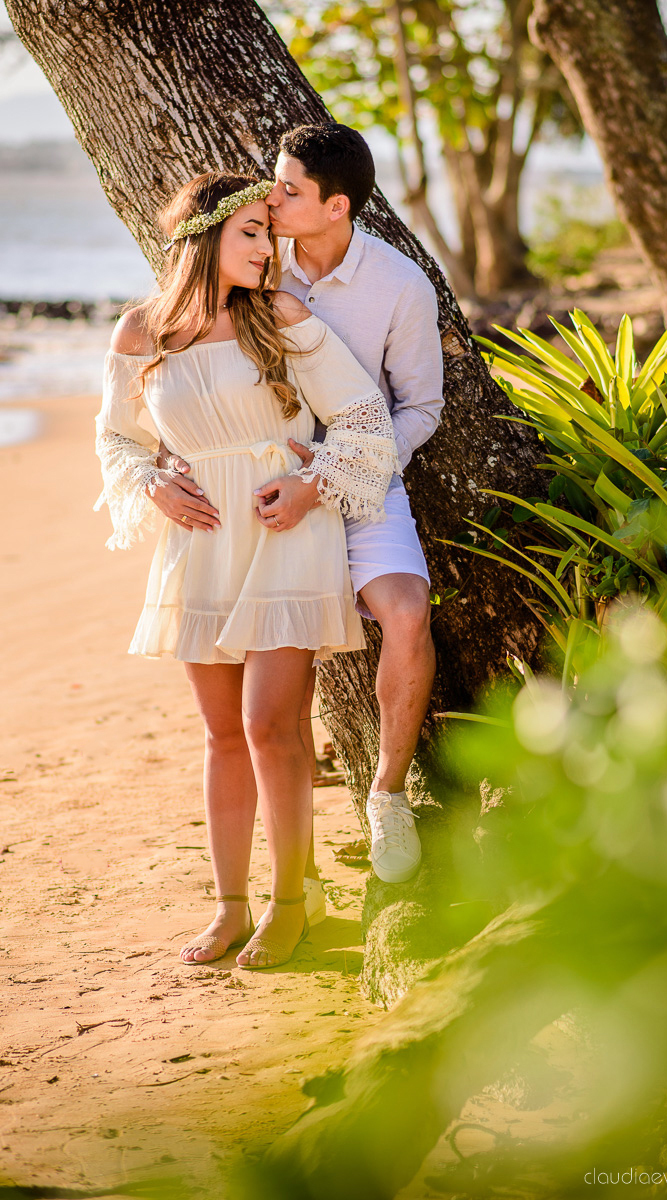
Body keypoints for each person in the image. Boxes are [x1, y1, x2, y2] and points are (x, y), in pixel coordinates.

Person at [95, 171, 398, 968]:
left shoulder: (283, 319)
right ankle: (229, 908)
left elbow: (365, 419)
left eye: (271, 232)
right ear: (205, 239)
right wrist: (152, 482)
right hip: (201, 540)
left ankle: (291, 904)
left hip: (286, 529)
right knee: (222, 735)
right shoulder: (142, 333)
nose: (272, 250)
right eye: (254, 234)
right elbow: (117, 440)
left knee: (270, 725)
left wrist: (310, 485)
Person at [156, 124, 443, 889]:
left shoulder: (399, 286)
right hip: (258, 492)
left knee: (406, 613)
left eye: (287, 191)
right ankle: (288, 876)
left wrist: (333, 474)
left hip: (359, 476)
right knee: (259, 705)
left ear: (336, 206)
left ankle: (386, 794)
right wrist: (167, 465)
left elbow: (417, 408)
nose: (270, 200)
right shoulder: (254, 256)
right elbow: (186, 372)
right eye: (269, 187)